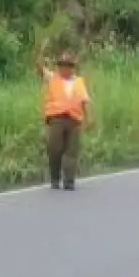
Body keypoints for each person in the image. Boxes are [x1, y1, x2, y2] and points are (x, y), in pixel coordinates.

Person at [36, 50, 91, 190]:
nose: (64, 68)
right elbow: (39, 68)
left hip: (74, 120)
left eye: (68, 65)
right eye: (61, 65)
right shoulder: (52, 78)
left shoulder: (79, 82)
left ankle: (69, 180)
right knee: (54, 148)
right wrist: (40, 53)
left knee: (72, 151)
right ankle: (55, 178)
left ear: (73, 67)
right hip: (56, 119)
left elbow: (84, 101)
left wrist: (88, 119)